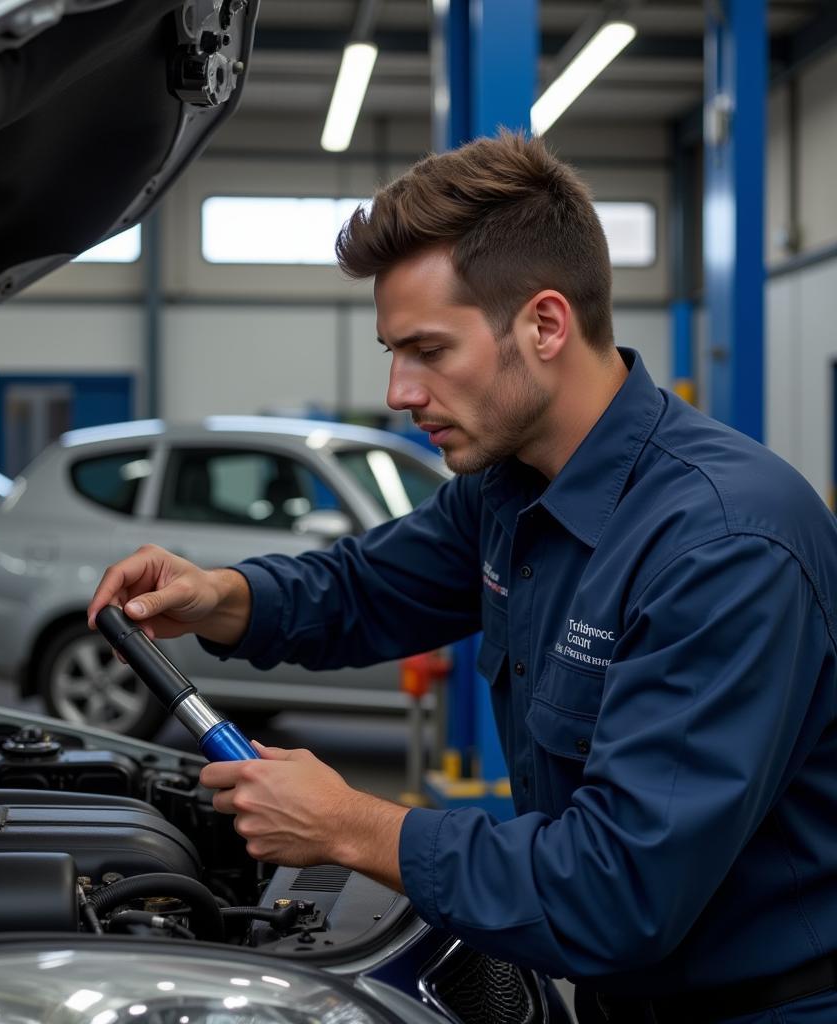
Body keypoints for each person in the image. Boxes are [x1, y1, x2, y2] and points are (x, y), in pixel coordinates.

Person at [87, 131, 837, 1023]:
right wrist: (220, 597)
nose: (401, 392)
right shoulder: (509, 488)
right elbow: (368, 587)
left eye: (430, 350)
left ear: (546, 325)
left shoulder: (722, 545)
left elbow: (618, 890)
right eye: (391, 353)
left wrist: (351, 826)